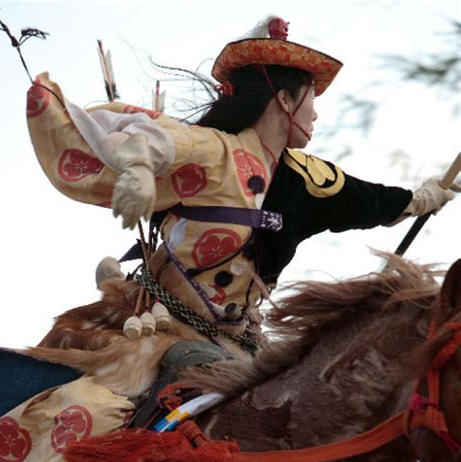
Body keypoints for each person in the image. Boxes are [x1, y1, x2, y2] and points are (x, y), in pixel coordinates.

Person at [26, 15, 458, 360]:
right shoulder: (215, 149)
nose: (317, 115)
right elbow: (152, 139)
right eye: (312, 99)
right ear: (286, 101)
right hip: (157, 334)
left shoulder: (307, 180)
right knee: (96, 412)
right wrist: (138, 170)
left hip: (239, 345)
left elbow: (371, 201)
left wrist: (423, 197)